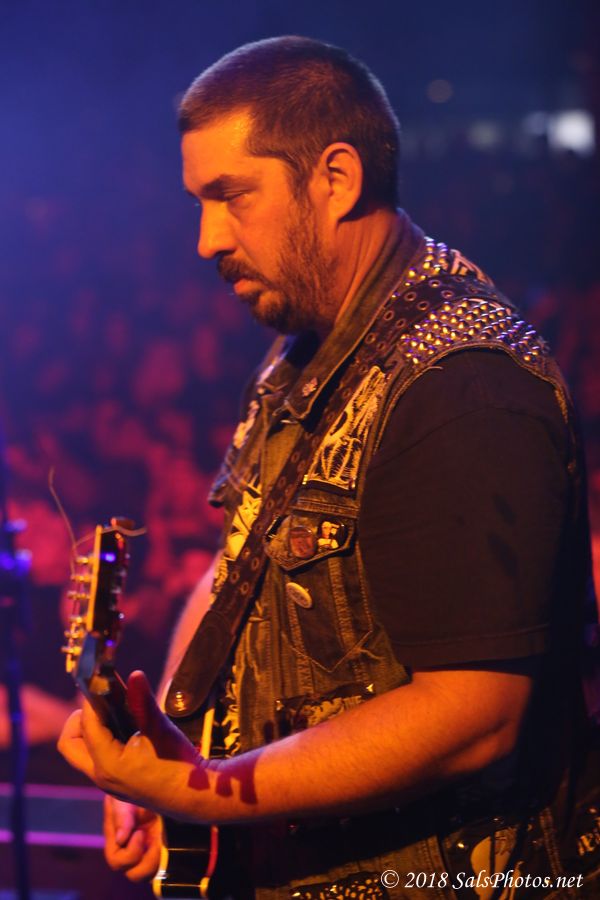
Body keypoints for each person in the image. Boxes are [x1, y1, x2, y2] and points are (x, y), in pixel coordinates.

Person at [58, 36, 600, 898]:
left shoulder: (463, 383)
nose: (206, 239)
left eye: (231, 196)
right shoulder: (302, 349)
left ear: (336, 179)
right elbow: (238, 564)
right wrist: (175, 750)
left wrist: (207, 791)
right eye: (200, 202)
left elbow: (476, 715)